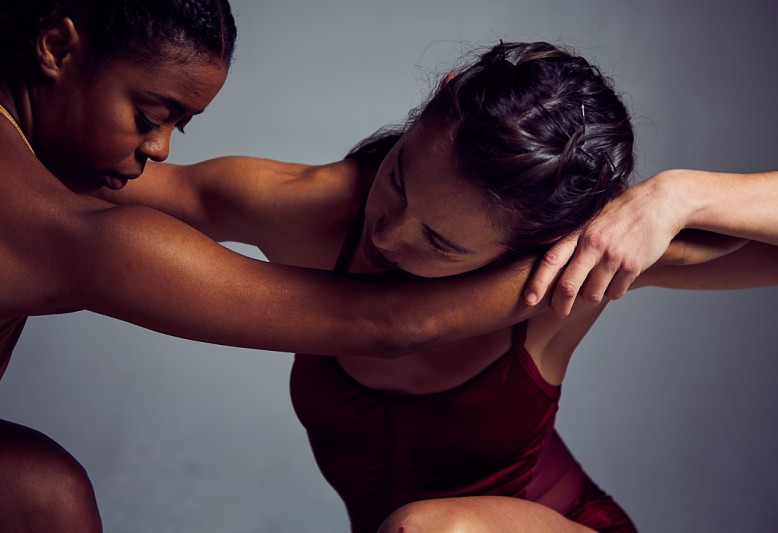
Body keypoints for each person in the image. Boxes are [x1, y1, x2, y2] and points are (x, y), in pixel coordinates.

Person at [106, 39, 778, 531]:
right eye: (399, 180)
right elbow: (105, 177)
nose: (390, 234)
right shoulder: (313, 209)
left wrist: (682, 194)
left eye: (439, 243)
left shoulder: (572, 275)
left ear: (528, 247)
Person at [0, 3, 573, 532]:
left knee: (40, 489)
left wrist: (660, 199)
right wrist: (584, 252)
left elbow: (187, 193)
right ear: (55, 47)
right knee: (42, 491)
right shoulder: (52, 225)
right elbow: (391, 324)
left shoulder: (51, 169)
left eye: (180, 124)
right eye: (149, 115)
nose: (161, 150)